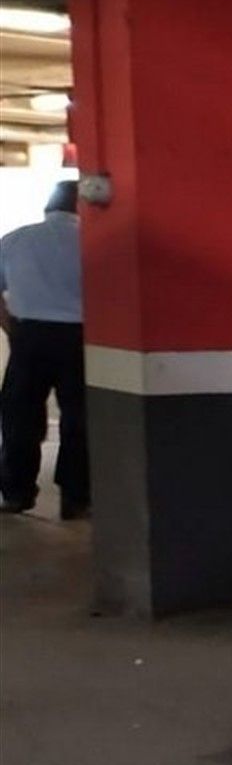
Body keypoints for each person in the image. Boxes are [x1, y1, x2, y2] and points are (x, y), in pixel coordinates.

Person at [0, 180, 86, 518]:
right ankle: (75, 498)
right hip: (80, 339)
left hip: (29, 336)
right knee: (78, 419)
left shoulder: (16, 239)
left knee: (19, 416)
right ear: (80, 206)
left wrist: (12, 328)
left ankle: (16, 493)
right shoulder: (91, 242)